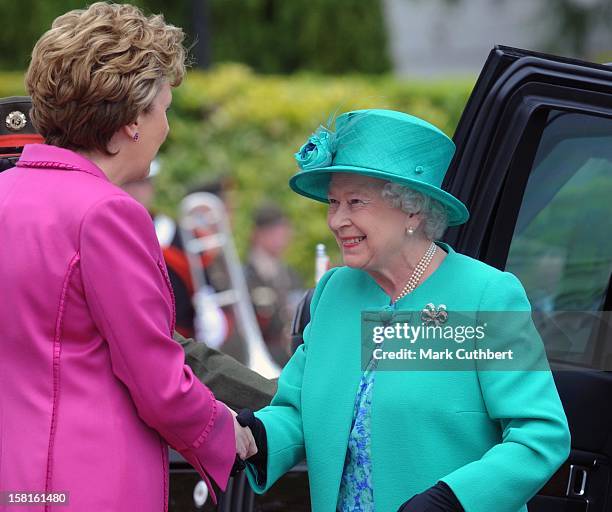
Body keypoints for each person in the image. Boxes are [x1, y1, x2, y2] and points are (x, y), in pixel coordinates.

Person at [240, 109, 571, 511]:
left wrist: (455, 500)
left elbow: (540, 436)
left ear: (412, 210)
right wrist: (254, 436)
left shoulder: (485, 296)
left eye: (355, 202)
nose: (336, 220)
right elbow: (295, 411)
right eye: (332, 202)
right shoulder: (335, 292)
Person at [0, 4, 256, 511]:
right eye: (163, 108)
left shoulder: (6, 192)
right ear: (134, 119)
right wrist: (223, 428)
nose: (165, 126)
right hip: (90, 481)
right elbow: (158, 381)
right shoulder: (109, 213)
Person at [245, 204, 303, 366]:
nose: (282, 236)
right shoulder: (246, 277)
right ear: (258, 234)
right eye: (274, 231)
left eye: (284, 230)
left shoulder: (291, 275)